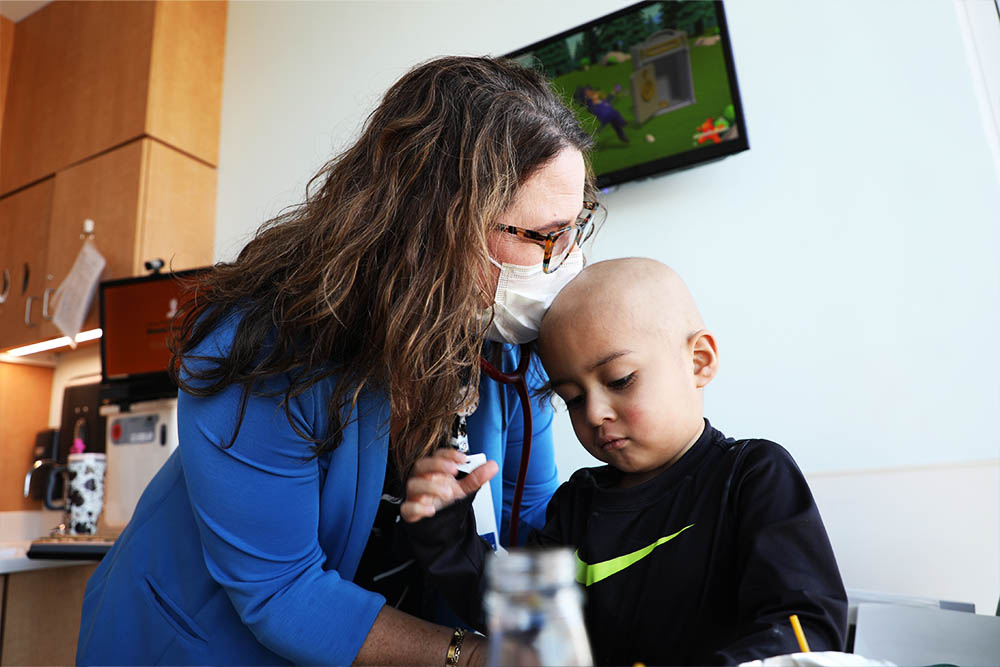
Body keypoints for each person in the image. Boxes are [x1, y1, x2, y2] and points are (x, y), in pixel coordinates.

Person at [76, 56, 606, 666]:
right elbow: (284, 595)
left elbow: (527, 523)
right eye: (541, 235)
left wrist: (556, 648)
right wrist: (482, 657)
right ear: (433, 226)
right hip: (195, 643)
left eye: (573, 228)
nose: (560, 262)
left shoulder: (508, 349)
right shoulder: (264, 348)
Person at [402, 257, 849, 666]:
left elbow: (806, 625)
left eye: (620, 380)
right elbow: (523, 624)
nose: (594, 414)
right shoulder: (577, 504)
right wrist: (445, 531)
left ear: (699, 362)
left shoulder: (753, 475)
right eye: (573, 399)